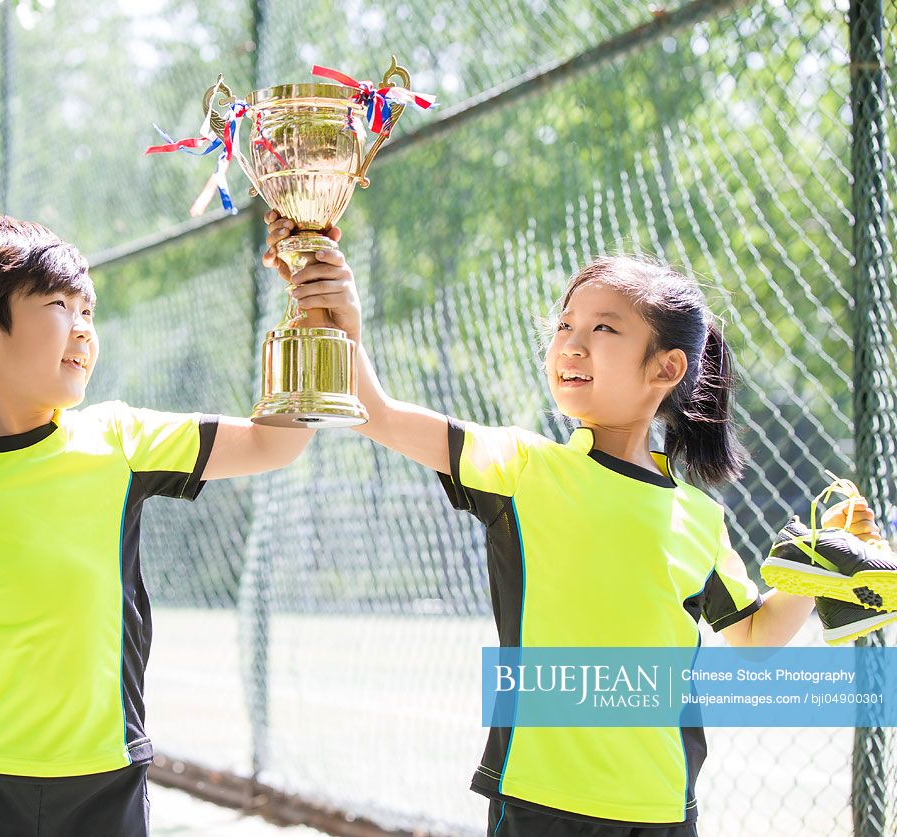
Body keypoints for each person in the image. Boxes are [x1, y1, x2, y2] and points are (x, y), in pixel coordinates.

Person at [263, 209, 887, 836]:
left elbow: (752, 638)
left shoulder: (699, 518)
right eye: (564, 325)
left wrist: (816, 572)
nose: (571, 343)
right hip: (539, 805)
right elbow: (375, 413)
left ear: (665, 369)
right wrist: (333, 305)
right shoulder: (522, 467)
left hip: (662, 809)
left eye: (603, 328)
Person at [0, 215, 330, 836]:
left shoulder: (121, 439)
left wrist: (319, 324)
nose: (85, 329)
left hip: (105, 780)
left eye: (89, 312)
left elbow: (275, 445)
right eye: (62, 305)